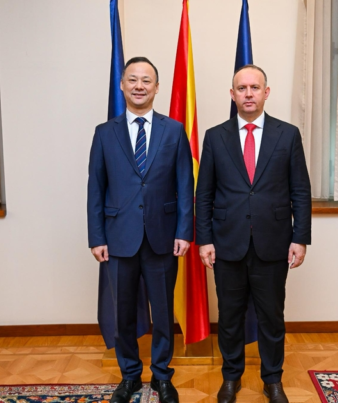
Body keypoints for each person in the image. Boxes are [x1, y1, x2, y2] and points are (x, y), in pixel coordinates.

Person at [195, 64, 312, 403]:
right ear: (232, 95)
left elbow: (300, 191)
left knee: (271, 318)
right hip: (226, 243)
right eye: (242, 88)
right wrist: (205, 239)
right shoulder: (215, 136)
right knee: (229, 318)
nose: (248, 94)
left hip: (273, 243)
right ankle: (230, 377)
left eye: (254, 87)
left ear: (266, 92)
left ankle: (272, 380)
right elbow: (204, 194)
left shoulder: (287, 135)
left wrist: (300, 237)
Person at [87, 56, 193, 403]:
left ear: (157, 88)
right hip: (118, 238)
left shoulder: (174, 130)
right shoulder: (105, 133)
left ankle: (162, 376)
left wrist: (184, 231)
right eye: (132, 79)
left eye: (146, 80)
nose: (139, 86)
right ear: (122, 85)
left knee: (162, 313)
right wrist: (97, 237)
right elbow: (96, 188)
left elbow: (184, 184)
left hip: (163, 236)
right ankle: (130, 375)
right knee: (123, 314)